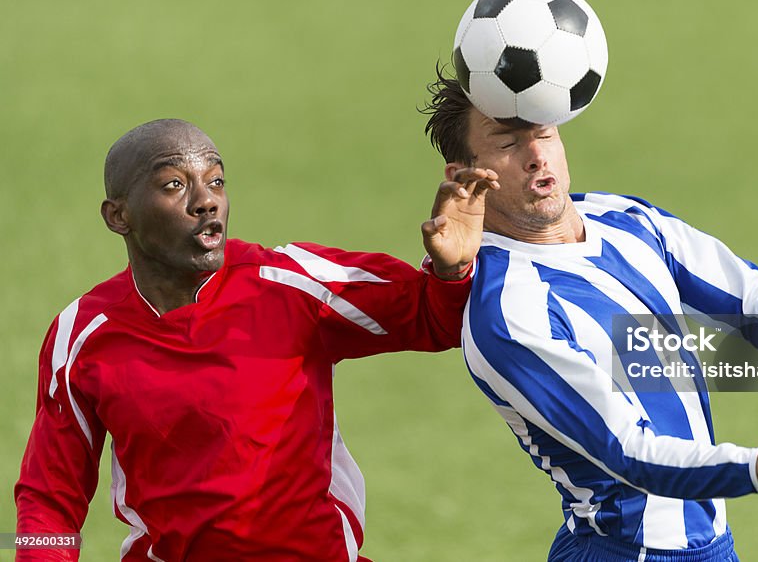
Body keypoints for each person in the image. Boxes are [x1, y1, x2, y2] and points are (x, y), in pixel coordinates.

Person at [421, 72, 758, 561]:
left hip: (708, 546)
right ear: (465, 176)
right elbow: (628, 451)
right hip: (627, 552)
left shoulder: (626, 220)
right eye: (509, 142)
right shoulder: (508, 314)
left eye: (544, 131)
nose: (537, 155)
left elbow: (747, 299)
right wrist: (752, 470)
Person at [15, 118, 498, 561]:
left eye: (216, 181)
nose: (206, 200)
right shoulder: (83, 334)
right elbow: (49, 496)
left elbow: (432, 318)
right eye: (175, 185)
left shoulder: (289, 284)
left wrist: (452, 270)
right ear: (118, 216)